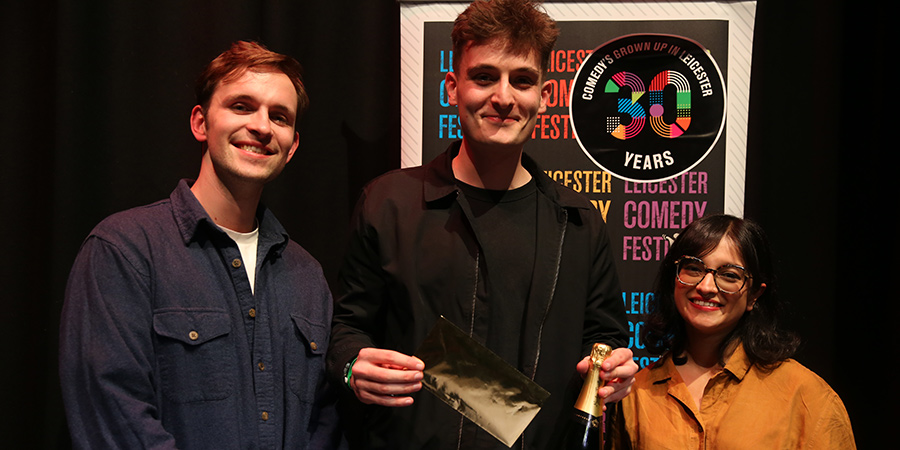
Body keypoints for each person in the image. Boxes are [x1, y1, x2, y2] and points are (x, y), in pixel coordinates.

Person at [326, 1, 637, 448]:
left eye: (523, 80)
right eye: (485, 76)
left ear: (545, 96)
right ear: (453, 87)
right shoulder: (388, 203)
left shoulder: (580, 222)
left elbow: (604, 339)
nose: (504, 98)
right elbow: (348, 326)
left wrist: (612, 373)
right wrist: (351, 364)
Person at [59, 41, 343, 449]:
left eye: (279, 116)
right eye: (242, 106)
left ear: (292, 146)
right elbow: (113, 414)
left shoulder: (307, 277)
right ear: (201, 123)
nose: (262, 126)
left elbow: (324, 424)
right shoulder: (124, 250)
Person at [614, 214, 855, 448]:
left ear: (754, 295)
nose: (706, 286)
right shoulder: (636, 392)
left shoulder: (804, 394)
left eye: (729, 275)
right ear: (674, 279)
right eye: (694, 268)